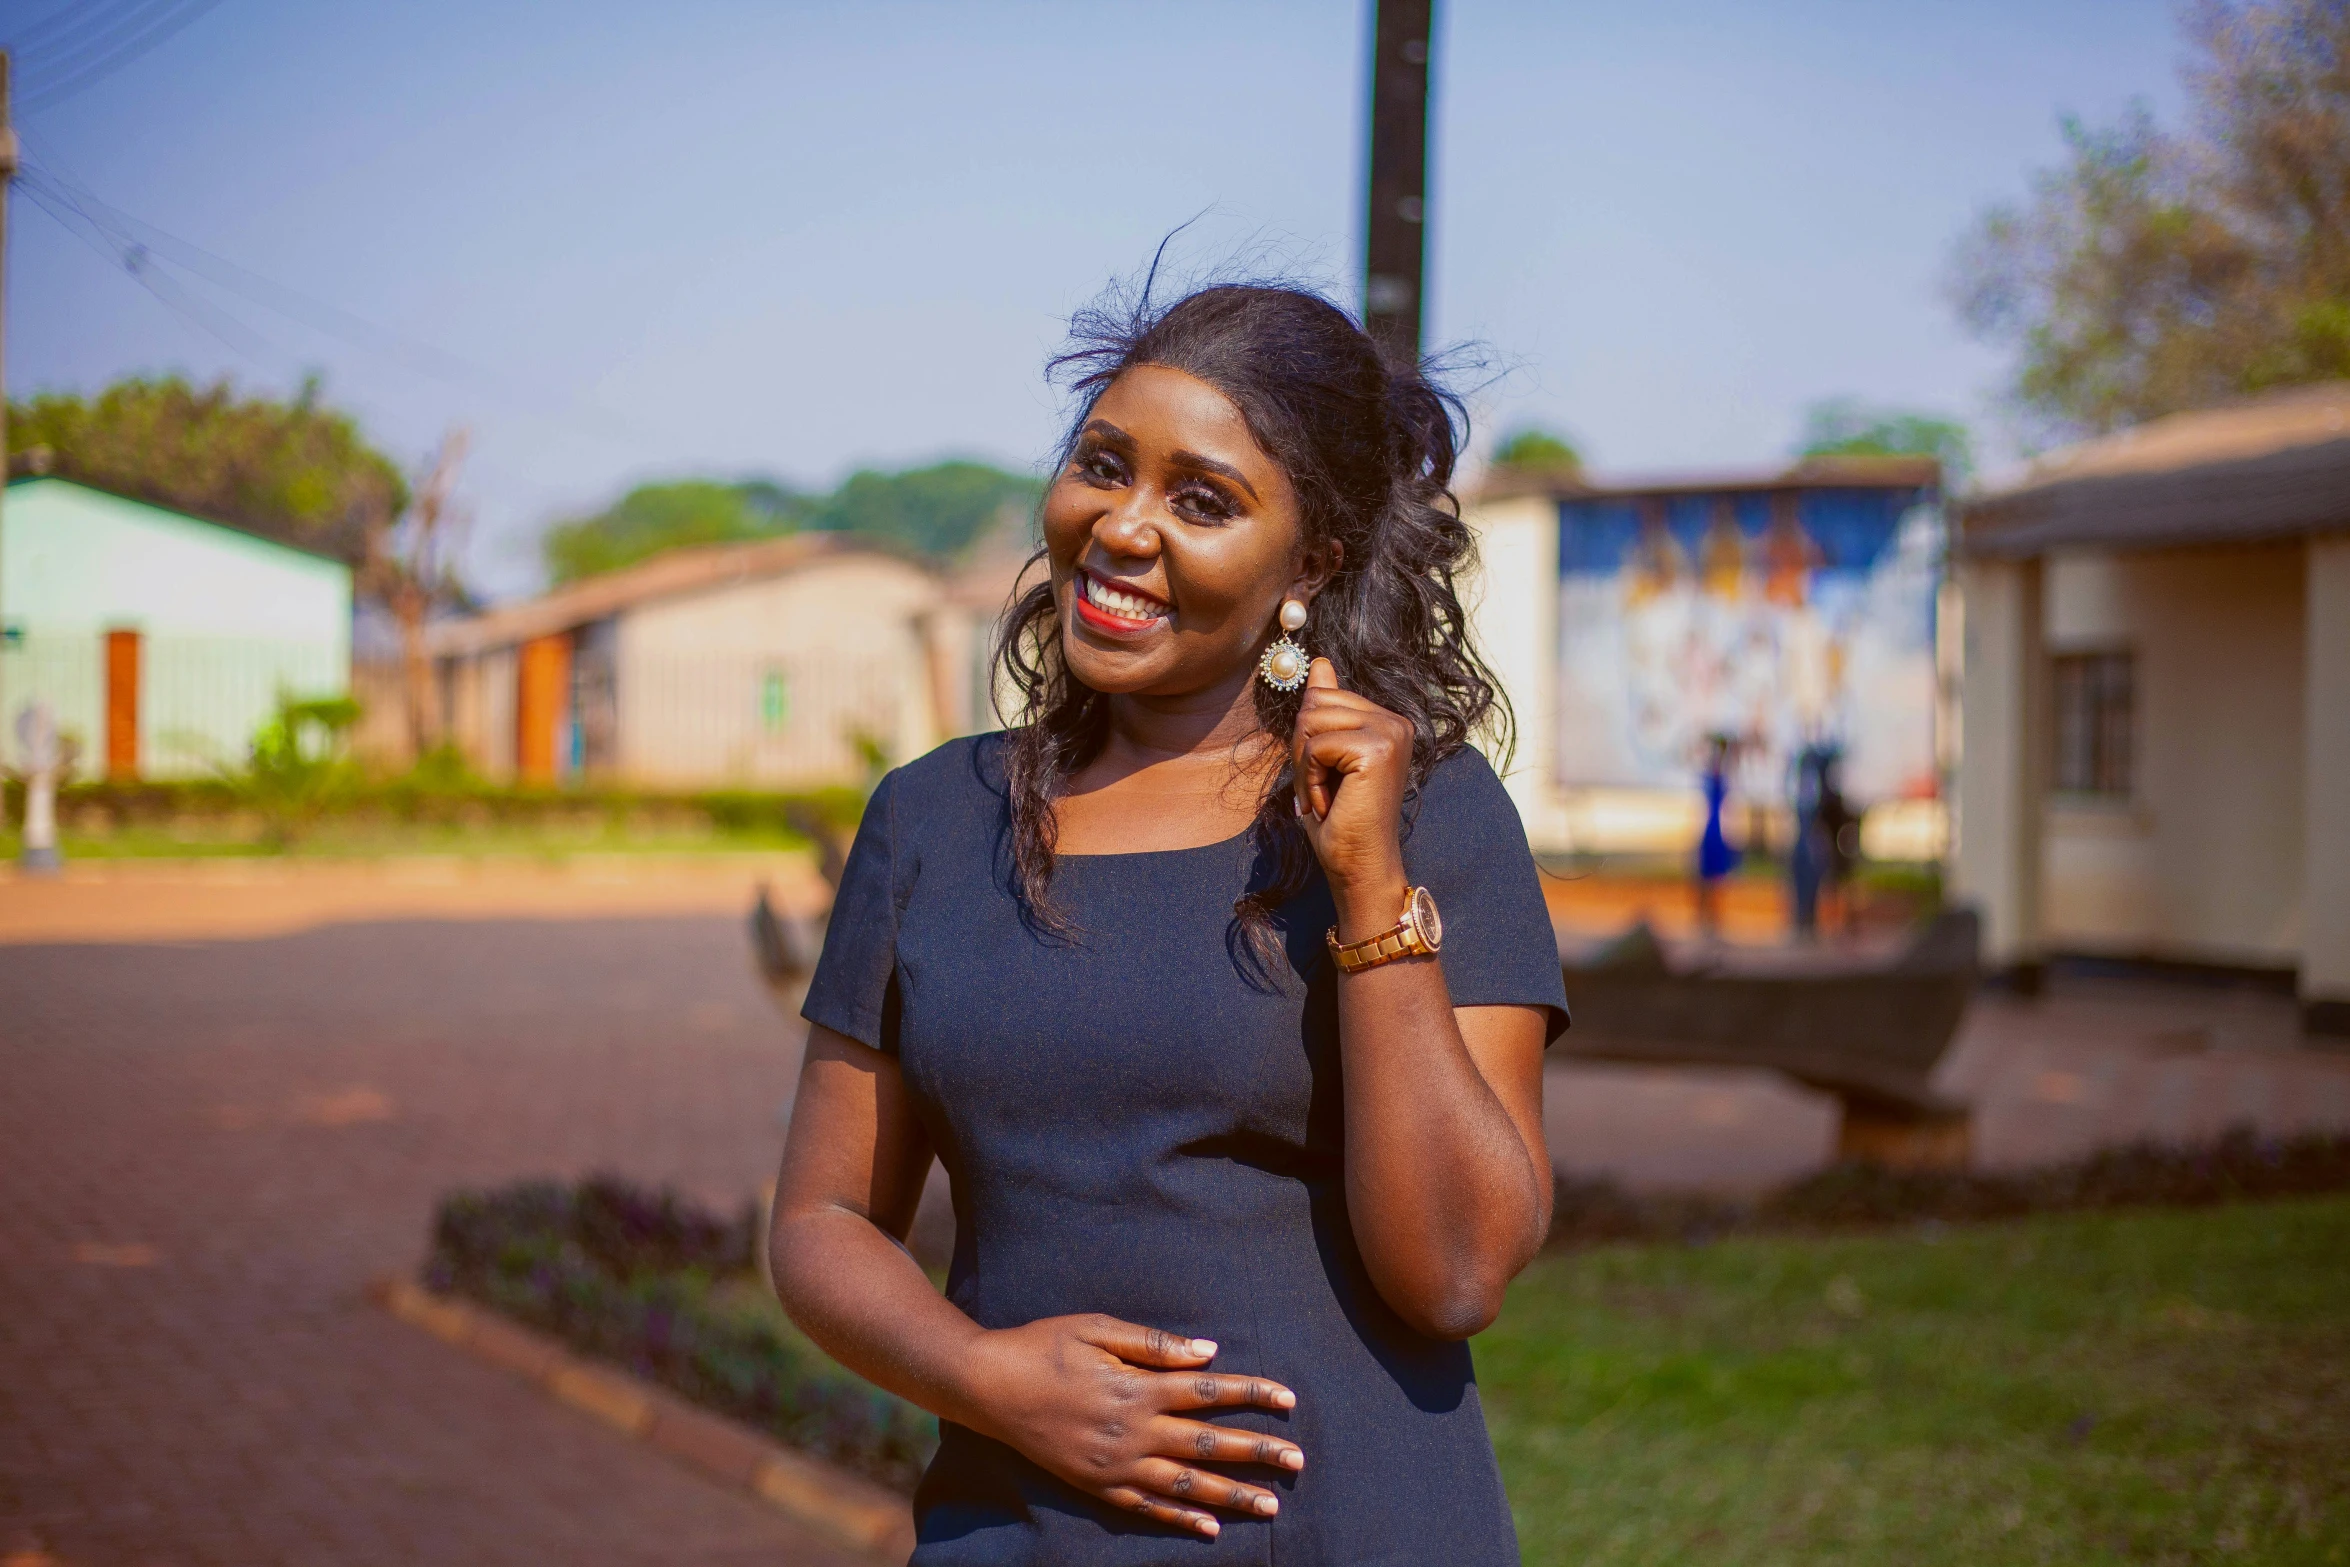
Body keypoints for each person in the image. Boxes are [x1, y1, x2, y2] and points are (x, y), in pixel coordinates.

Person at [767, 281, 1571, 1565]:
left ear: (1313, 560)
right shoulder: (932, 821)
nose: (1122, 527)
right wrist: (989, 1379)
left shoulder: (1425, 812)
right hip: (1016, 1531)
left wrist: (1366, 890)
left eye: (1201, 500)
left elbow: (1458, 1272)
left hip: (1353, 1527)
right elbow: (820, 1224)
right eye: (1102, 466)